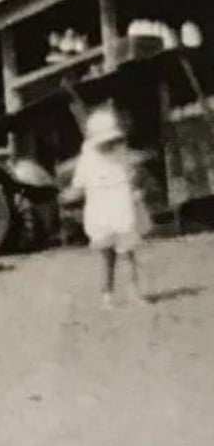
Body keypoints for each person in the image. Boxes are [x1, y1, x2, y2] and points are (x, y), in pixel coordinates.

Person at [67, 105, 152, 308]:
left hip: (122, 210)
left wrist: (136, 188)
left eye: (112, 141)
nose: (109, 146)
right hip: (101, 213)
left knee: (128, 253)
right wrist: (71, 196)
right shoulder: (88, 159)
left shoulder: (121, 154)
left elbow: (133, 172)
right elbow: (78, 185)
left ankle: (134, 292)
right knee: (107, 257)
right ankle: (107, 296)